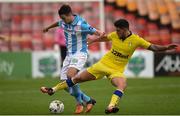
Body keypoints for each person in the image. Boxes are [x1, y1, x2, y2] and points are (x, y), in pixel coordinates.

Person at [41, 18, 178, 114]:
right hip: (102, 65)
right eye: (116, 30)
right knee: (76, 79)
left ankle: (111, 106)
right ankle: (52, 89)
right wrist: (92, 41)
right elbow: (103, 38)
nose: (116, 32)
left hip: (116, 70)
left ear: (125, 29)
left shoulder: (136, 40)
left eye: (119, 30)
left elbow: (153, 47)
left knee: (122, 85)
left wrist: (166, 48)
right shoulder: (114, 35)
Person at [41, 4, 104, 114]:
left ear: (69, 15)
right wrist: (48, 27)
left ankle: (79, 103)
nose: (63, 21)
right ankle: (88, 100)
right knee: (65, 83)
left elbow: (96, 31)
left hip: (80, 54)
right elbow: (58, 23)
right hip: (69, 54)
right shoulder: (64, 22)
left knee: (70, 76)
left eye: (64, 18)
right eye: (62, 19)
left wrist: (99, 34)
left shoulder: (81, 24)